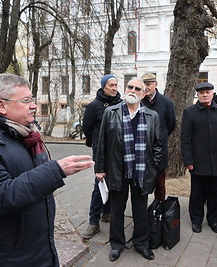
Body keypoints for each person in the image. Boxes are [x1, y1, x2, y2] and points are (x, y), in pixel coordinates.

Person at [0, 73, 95, 266]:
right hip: (7, 257)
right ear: (1, 106)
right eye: (26, 100)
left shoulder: (19, 133)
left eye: (32, 99)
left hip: (37, 248)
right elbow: (0, 196)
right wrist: (55, 170)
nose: (34, 105)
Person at [95, 77, 162, 262]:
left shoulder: (151, 116)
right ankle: (116, 244)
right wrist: (100, 168)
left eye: (137, 88)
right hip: (117, 169)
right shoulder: (111, 112)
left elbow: (158, 145)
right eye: (130, 87)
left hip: (142, 171)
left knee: (140, 210)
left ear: (144, 93)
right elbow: (102, 143)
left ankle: (141, 243)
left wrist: (153, 167)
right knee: (117, 210)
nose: (132, 90)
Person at [180, 82, 217, 234]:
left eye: (207, 92)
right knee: (197, 193)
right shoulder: (190, 112)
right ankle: (196, 220)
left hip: (215, 161)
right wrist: (188, 161)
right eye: (202, 93)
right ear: (198, 95)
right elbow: (185, 139)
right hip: (197, 162)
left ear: (213, 93)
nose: (205, 95)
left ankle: (213, 220)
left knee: (214, 193)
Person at [81, 74, 122, 239]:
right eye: (111, 85)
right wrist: (96, 143)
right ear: (104, 86)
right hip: (101, 151)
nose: (114, 88)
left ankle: (107, 212)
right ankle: (93, 222)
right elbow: (87, 128)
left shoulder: (121, 104)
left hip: (118, 149)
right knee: (100, 184)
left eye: (116, 85)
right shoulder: (95, 106)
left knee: (114, 183)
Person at [141, 72, 176, 202]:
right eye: (144, 84)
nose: (146, 87)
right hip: (142, 151)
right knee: (141, 185)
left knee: (160, 185)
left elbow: (171, 124)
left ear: (156, 84)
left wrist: (160, 136)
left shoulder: (166, 102)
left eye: (149, 84)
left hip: (159, 150)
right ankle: (142, 214)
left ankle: (159, 211)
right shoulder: (139, 102)